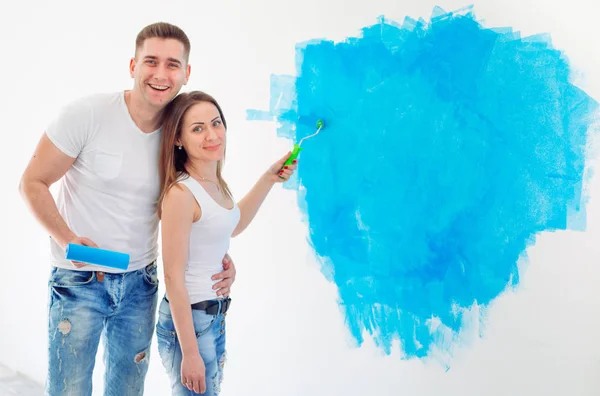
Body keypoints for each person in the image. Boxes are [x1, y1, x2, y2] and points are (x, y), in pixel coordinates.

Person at [18, 23, 237, 395]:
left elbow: (194, 204)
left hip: (141, 283)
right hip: (80, 281)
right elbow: (32, 183)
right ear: (133, 66)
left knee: (127, 390)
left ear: (186, 73)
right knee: (69, 390)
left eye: (172, 64)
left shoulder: (180, 132)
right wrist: (69, 239)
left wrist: (221, 257)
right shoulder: (86, 114)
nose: (160, 74)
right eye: (151, 61)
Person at [155, 90, 297, 395]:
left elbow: (233, 223)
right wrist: (190, 354)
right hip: (189, 322)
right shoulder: (181, 194)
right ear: (178, 139)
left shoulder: (214, 183)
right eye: (198, 128)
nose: (212, 134)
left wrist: (268, 179)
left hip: (213, 315)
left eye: (216, 123)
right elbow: (172, 277)